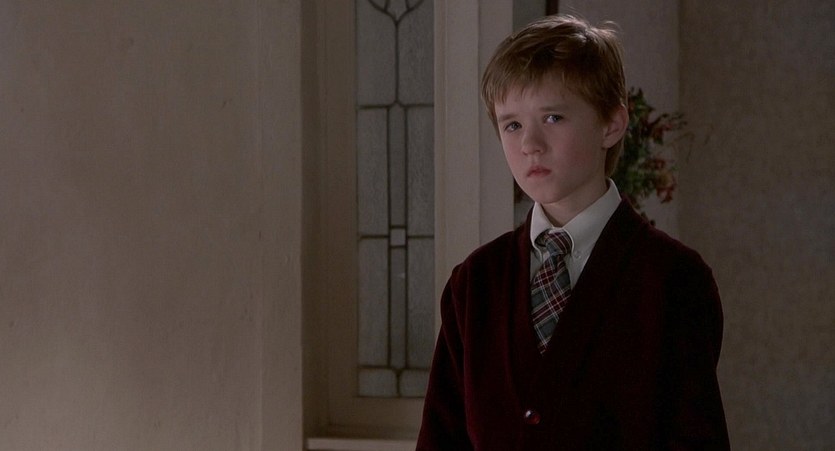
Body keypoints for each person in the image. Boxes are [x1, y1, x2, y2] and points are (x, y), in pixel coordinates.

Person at [416, 15, 729, 450]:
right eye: (512, 124)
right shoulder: (474, 284)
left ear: (611, 124)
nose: (530, 144)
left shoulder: (673, 280)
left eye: (553, 117)